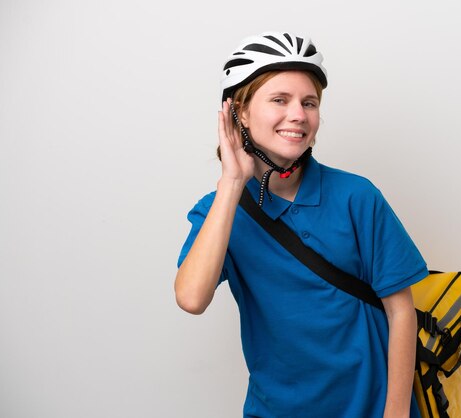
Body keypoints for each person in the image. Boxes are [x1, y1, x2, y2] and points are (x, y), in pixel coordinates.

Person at [175, 31, 429, 418]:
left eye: (309, 103)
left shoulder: (356, 196)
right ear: (239, 112)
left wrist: (396, 413)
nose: (298, 114)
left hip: (372, 407)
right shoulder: (218, 211)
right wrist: (231, 183)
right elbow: (191, 298)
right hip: (276, 409)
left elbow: (401, 312)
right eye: (279, 99)